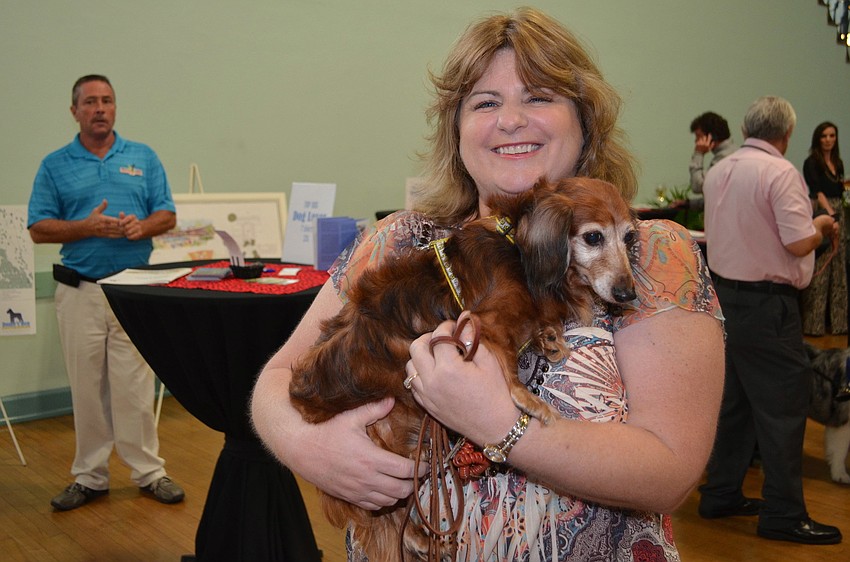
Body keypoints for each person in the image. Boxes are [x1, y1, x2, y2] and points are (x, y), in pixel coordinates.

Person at [252, 8, 724, 561]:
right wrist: (306, 445)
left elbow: (670, 470)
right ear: (457, 132)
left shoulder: (650, 254)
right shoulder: (398, 242)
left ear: (585, 121)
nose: (511, 120)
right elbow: (276, 379)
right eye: (485, 103)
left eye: (539, 96)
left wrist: (502, 424)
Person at [27, 75, 185, 511]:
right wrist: (84, 227)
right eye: (91, 102)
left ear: (116, 108)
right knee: (86, 387)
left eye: (108, 101)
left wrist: (143, 226)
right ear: (74, 111)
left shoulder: (142, 157)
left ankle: (150, 472)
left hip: (133, 289)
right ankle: (90, 477)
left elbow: (166, 214)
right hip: (80, 292)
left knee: (135, 385)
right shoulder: (55, 164)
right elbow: (38, 227)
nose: (100, 108)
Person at [700, 96, 842, 545]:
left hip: (724, 299)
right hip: (767, 306)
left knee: (736, 403)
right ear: (785, 134)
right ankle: (783, 514)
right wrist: (822, 225)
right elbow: (800, 243)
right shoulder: (780, 172)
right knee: (783, 408)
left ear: (745, 130)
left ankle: (721, 493)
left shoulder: (719, 170)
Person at [801, 121, 847, 336]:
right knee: (820, 268)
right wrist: (831, 216)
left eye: (832, 135)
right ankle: (813, 325)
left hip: (840, 211)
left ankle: (838, 324)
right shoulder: (812, 162)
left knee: (838, 269)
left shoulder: (838, 163)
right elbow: (817, 192)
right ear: (818, 139)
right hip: (823, 212)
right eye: (824, 136)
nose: (828, 140)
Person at [689, 111, 737, 195]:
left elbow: (697, 185)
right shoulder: (732, 151)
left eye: (698, 136)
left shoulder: (724, 158)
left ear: (710, 137)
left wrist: (698, 153)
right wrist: (689, 204)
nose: (696, 141)